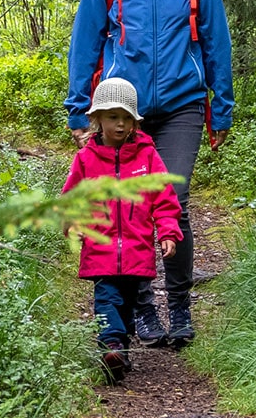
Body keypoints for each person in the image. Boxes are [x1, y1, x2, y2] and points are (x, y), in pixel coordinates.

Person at [64, 0, 234, 348]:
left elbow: (216, 40)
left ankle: (178, 307)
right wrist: (80, 108)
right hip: (121, 108)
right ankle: (140, 309)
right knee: (127, 207)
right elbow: (87, 40)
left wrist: (221, 106)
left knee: (171, 201)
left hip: (181, 103)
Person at [61, 78, 182, 383]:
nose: (120, 124)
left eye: (126, 117)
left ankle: (120, 351)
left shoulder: (147, 156)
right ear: (97, 119)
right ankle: (111, 344)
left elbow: (163, 197)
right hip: (100, 247)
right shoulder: (86, 159)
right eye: (113, 117)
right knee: (106, 297)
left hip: (137, 248)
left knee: (128, 303)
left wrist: (167, 231)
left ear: (134, 121)